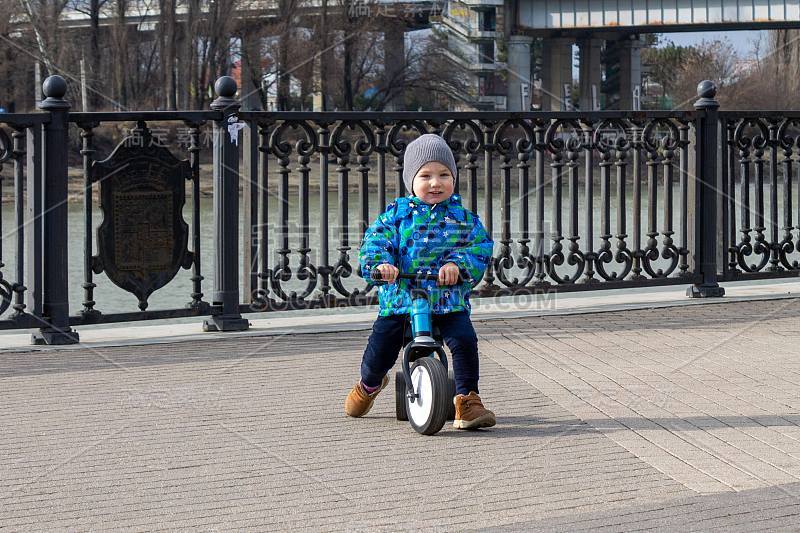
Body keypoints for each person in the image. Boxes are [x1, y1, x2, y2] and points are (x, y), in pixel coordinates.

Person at [344, 134, 496, 429]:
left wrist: (457, 265)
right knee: (381, 347)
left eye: (444, 175)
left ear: (454, 178)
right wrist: (381, 265)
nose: (435, 183)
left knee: (464, 340)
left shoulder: (464, 219)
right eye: (425, 176)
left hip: (447, 300)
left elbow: (479, 248)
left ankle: (467, 400)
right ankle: (369, 384)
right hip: (402, 300)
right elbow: (374, 243)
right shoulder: (396, 217)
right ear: (411, 180)